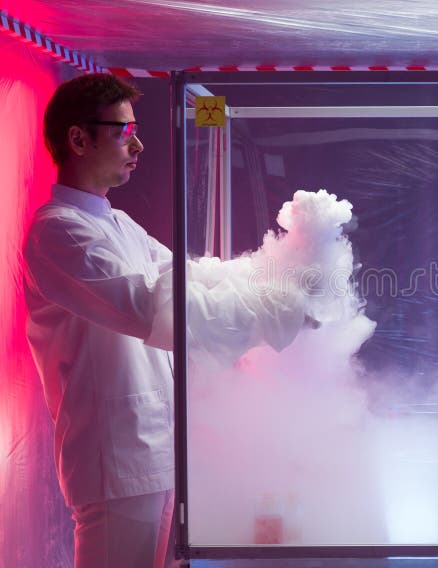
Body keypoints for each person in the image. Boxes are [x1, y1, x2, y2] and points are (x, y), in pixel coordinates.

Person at [23, 74, 309, 568]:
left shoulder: (117, 223)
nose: (137, 145)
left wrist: (276, 275)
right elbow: (155, 308)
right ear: (78, 139)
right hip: (114, 457)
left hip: (151, 449)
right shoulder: (59, 234)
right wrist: (270, 312)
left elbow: (190, 276)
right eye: (123, 132)